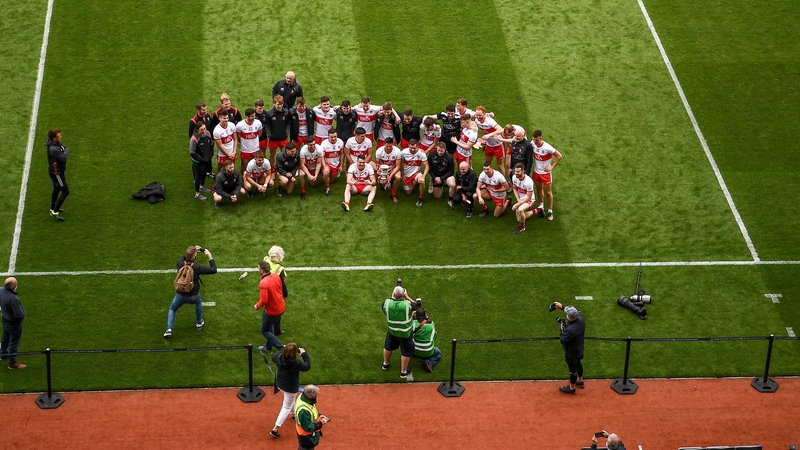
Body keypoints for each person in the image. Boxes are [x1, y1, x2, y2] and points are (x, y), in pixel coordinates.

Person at [164, 246, 216, 338]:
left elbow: (184, 257)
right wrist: (209, 256)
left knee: (172, 309)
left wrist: (192, 252)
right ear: (194, 257)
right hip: (193, 296)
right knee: (198, 302)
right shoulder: (197, 267)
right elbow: (213, 270)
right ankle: (199, 322)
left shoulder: (179, 264)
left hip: (180, 295)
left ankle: (169, 329)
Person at [270, 343, 310, 439]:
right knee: (286, 408)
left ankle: (294, 415)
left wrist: (283, 351)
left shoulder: (279, 357)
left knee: (290, 400)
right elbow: (307, 366)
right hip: (290, 388)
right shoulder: (296, 363)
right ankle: (275, 429)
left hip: (280, 385)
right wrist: (304, 354)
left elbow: (273, 357)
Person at [382, 286, 416, 381]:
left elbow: (386, 305)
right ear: (403, 295)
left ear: (393, 294)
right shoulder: (407, 304)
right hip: (405, 333)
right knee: (406, 352)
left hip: (392, 331)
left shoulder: (386, 303)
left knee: (388, 346)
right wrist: (407, 296)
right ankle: (403, 372)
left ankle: (385, 364)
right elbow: (416, 306)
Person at [553, 302, 585, 394]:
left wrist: (562, 329)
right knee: (578, 363)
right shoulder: (581, 319)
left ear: (570, 318)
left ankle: (572, 388)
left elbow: (563, 340)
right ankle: (580, 381)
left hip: (572, 352)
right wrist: (561, 307)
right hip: (579, 348)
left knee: (572, 371)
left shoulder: (570, 330)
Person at [254, 261, 285, 354]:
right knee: (270, 326)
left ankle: (281, 347)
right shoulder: (276, 276)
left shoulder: (263, 283)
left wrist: (257, 306)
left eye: (258, 268)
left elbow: (264, 300)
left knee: (264, 330)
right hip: (281, 306)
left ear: (262, 271)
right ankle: (268, 348)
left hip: (272, 311)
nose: (258, 269)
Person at [531, 130, 563, 221]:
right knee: (538, 188)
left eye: (536, 140)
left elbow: (559, 156)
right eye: (533, 139)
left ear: (541, 138)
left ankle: (550, 210)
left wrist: (552, 166)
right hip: (536, 172)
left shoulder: (547, 147)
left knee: (548, 192)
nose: (534, 141)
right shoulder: (532, 143)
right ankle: (541, 206)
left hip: (545, 173)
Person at [0, 277, 26, 369]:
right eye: (16, 283)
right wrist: (19, 320)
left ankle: (2, 354)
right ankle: (12, 363)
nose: (17, 284)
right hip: (13, 323)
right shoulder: (13, 299)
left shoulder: (1, 291)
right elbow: (19, 315)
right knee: (14, 342)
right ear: (12, 287)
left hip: (5, 319)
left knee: (5, 337)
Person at [294, 384, 330, 450]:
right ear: (310, 395)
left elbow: (311, 411)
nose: (316, 397)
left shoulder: (303, 397)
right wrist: (320, 423)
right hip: (306, 437)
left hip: (305, 436)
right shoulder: (303, 411)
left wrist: (319, 415)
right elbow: (308, 427)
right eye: (315, 395)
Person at [263, 245, 289, 335]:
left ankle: (266, 326)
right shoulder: (280, 269)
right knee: (277, 313)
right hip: (276, 293)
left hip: (266, 289)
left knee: (267, 308)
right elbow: (282, 284)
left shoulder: (266, 260)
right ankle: (276, 331)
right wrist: (285, 294)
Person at [474, 106, 506, 177]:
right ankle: (488, 180)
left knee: (500, 165)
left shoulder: (489, 121)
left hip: (498, 145)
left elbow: (500, 129)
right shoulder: (477, 120)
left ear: (484, 114)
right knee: (487, 164)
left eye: (480, 115)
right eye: (477, 115)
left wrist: (489, 135)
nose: (478, 117)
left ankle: (504, 182)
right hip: (489, 145)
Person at [510, 163, 541, 234]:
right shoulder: (514, 177)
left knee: (520, 210)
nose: (516, 173)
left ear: (523, 171)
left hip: (529, 200)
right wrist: (518, 199)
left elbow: (528, 197)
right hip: (521, 199)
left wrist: (518, 204)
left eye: (518, 171)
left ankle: (522, 227)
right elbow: (514, 189)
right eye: (515, 171)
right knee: (519, 218)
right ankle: (537, 210)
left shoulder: (529, 182)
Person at [46, 129, 69, 221]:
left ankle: (53, 208)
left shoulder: (55, 144)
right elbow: (63, 158)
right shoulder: (53, 149)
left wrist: (64, 151)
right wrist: (65, 152)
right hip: (57, 174)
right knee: (65, 191)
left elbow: (65, 148)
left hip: (57, 172)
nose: (61, 138)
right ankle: (55, 211)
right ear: (54, 138)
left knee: (56, 189)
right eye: (59, 137)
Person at [265, 95, 292, 169]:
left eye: (281, 104)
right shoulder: (270, 113)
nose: (280, 106)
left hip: (283, 138)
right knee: (272, 155)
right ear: (274, 103)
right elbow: (266, 125)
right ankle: (272, 169)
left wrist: (286, 132)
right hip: (273, 139)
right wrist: (269, 134)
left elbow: (288, 123)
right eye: (278, 104)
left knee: (285, 154)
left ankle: (283, 168)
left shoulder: (286, 112)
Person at [399, 139, 429, 207]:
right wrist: (403, 175)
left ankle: (421, 198)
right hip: (407, 174)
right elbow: (401, 164)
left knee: (422, 181)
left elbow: (427, 166)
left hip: (416, 173)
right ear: (408, 145)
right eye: (411, 148)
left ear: (418, 147)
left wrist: (423, 176)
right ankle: (415, 182)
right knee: (408, 193)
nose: (412, 150)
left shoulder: (421, 153)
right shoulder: (403, 152)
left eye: (414, 148)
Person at [189, 102, 214, 179]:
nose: (205, 111)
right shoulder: (193, 121)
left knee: (208, 156)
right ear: (198, 110)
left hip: (208, 140)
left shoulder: (208, 115)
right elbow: (190, 134)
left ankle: (209, 171)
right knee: (198, 159)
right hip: (199, 143)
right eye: (203, 110)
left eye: (206, 109)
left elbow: (211, 126)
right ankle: (196, 176)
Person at [189, 123, 214, 200]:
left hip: (206, 159)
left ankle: (202, 186)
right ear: (197, 130)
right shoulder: (194, 139)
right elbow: (192, 152)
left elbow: (211, 144)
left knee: (204, 173)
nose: (204, 131)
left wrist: (210, 154)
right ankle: (197, 193)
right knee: (198, 176)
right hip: (198, 161)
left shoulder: (208, 133)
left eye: (205, 129)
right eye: (202, 130)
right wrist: (201, 159)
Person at [373, 137, 402, 203]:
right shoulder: (379, 151)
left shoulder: (397, 151)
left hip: (393, 169)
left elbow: (398, 166)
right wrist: (380, 170)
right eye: (387, 146)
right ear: (384, 144)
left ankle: (393, 194)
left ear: (393, 144)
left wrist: (391, 175)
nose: (389, 148)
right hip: (383, 169)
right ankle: (374, 190)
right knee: (380, 183)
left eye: (390, 146)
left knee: (398, 177)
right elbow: (377, 163)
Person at [412, 308, 442, 373]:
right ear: (425, 315)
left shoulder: (413, 323)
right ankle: (430, 362)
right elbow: (433, 337)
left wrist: (412, 316)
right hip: (428, 352)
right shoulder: (431, 324)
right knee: (438, 353)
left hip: (414, 351)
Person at [236, 108, 263, 174]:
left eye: (254, 116)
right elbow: (237, 136)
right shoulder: (240, 125)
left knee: (255, 165)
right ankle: (243, 179)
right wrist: (242, 142)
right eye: (252, 116)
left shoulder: (258, 123)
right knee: (244, 165)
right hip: (245, 150)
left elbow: (259, 134)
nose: (254, 117)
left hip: (255, 150)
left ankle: (254, 178)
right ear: (247, 116)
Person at [319, 129, 345, 196]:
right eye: (331, 137)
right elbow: (322, 156)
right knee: (326, 172)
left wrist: (341, 165)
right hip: (327, 164)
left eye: (335, 137)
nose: (333, 139)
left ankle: (328, 177)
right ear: (328, 136)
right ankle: (327, 189)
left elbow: (342, 154)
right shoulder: (324, 143)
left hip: (336, 165)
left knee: (331, 181)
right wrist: (324, 166)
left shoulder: (340, 142)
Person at [213, 109, 238, 173]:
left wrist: (234, 152)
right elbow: (220, 146)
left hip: (232, 152)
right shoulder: (217, 131)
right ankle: (217, 182)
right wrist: (228, 154)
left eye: (227, 118)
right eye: (224, 118)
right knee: (221, 169)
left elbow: (235, 139)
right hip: (222, 154)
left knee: (232, 167)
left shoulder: (232, 125)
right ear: (220, 118)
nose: (226, 120)